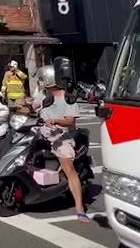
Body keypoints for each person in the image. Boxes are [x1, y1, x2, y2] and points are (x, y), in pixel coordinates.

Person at [34, 64, 89, 223]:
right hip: (44, 133)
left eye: (42, 80)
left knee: (68, 168)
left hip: (63, 136)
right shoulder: (44, 96)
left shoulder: (68, 98)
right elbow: (33, 107)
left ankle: (79, 207)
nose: (41, 83)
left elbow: (70, 121)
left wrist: (55, 121)